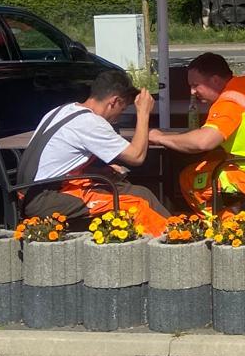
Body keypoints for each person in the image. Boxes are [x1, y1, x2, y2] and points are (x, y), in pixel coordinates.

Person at [21, 69, 170, 236]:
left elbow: (60, 162)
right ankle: (173, 242)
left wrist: (99, 170)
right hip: (45, 199)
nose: (120, 116)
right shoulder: (90, 122)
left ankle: (173, 230)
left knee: (139, 192)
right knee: (137, 203)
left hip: (31, 189)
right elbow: (136, 156)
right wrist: (143, 113)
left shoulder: (63, 110)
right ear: (114, 101)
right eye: (122, 109)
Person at [149, 52, 245, 212]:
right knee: (212, 159)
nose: (192, 92)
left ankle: (224, 228)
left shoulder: (229, 101)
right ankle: (237, 210)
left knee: (191, 178)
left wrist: (160, 137)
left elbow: (203, 142)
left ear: (215, 80)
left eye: (195, 85)